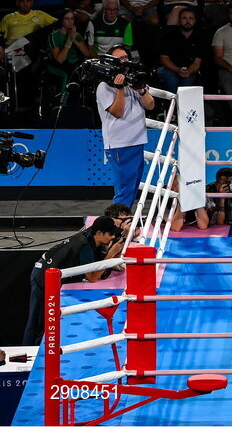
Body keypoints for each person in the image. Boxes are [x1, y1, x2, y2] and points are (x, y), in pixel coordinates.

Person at [22, 217, 122, 345]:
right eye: (110, 234)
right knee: (38, 321)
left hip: (49, 271)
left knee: (40, 319)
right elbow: (92, 277)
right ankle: (28, 350)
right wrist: (111, 254)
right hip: (42, 277)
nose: (113, 237)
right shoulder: (84, 247)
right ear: (99, 234)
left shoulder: (91, 235)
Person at [97, 45, 156, 206]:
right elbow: (117, 112)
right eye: (119, 59)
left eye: (125, 57)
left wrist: (141, 90)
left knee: (132, 188)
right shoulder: (104, 86)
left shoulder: (134, 79)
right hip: (120, 145)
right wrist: (120, 89)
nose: (123, 61)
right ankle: (118, 226)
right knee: (124, 190)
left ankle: (124, 223)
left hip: (137, 141)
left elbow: (150, 105)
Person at [157, 8, 204, 92]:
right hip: (168, 68)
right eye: (184, 18)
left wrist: (189, 71)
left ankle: (185, 105)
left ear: (195, 21)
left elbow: (197, 63)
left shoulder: (199, 38)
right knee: (173, 79)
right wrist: (178, 70)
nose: (187, 21)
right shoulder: (168, 36)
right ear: (179, 21)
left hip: (188, 71)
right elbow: (164, 59)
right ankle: (173, 104)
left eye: (191, 18)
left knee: (187, 82)